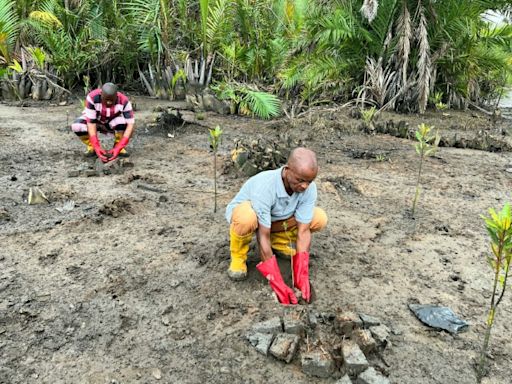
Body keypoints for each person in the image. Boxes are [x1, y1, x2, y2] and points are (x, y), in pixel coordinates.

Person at [225, 147, 327, 305]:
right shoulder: (266, 186)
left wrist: (301, 276)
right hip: (251, 219)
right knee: (247, 218)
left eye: (309, 181)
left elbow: (304, 231)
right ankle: (238, 256)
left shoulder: (308, 188)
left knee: (318, 217)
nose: (305, 186)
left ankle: (279, 243)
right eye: (300, 180)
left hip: (279, 220)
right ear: (287, 170)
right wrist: (276, 281)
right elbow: (262, 235)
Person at [71, 82, 135, 162]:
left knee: (123, 122)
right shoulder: (92, 97)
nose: (109, 102)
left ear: (116, 96)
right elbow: (91, 123)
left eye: (112, 100)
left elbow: (130, 125)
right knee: (77, 126)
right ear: (101, 95)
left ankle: (118, 147)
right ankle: (92, 148)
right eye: (106, 99)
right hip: (96, 121)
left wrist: (119, 147)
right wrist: (96, 146)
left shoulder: (124, 101)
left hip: (112, 122)